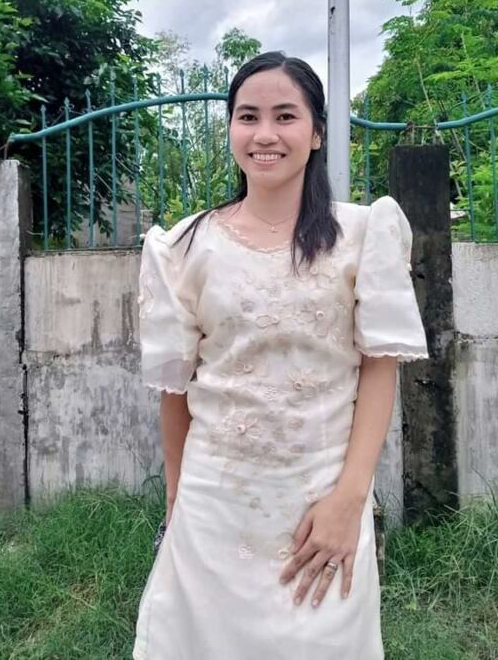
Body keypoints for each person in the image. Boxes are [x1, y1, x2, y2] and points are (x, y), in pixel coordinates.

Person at [133, 52, 428, 660]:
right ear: (231, 129)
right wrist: (177, 503)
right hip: (214, 507)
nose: (265, 134)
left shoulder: (360, 235)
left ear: (317, 132)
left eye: (285, 116)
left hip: (322, 501)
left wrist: (350, 500)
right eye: (248, 116)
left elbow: (379, 370)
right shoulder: (185, 246)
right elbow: (176, 389)